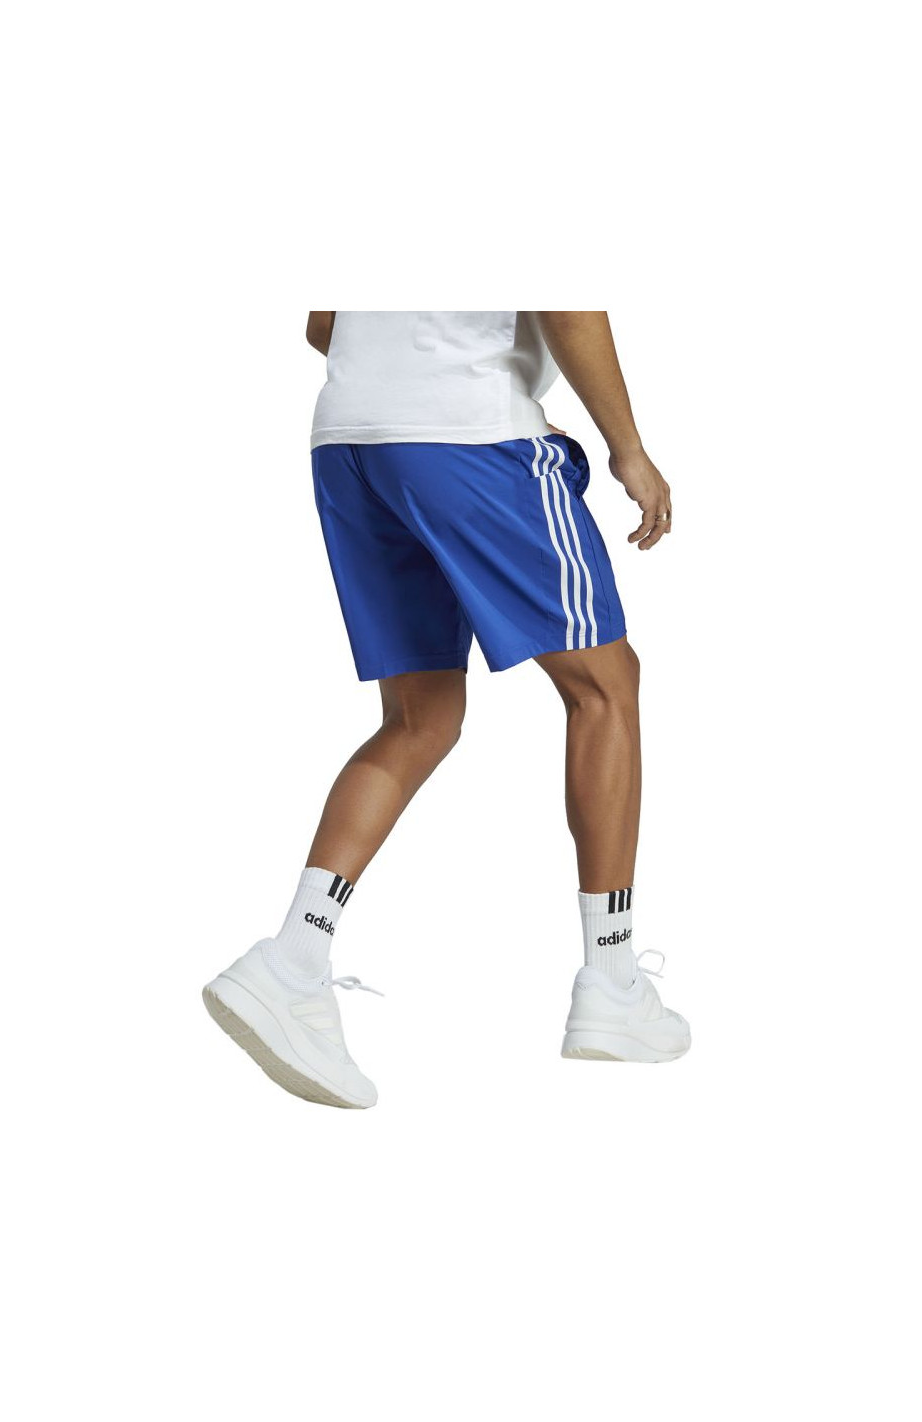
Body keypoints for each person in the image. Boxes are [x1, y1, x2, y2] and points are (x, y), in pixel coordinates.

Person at [203, 311, 690, 1108]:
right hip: (467, 430)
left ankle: (291, 960)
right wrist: (626, 448)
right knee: (604, 685)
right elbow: (567, 306)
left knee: (419, 720)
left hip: (352, 439)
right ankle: (612, 980)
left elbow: (326, 324)